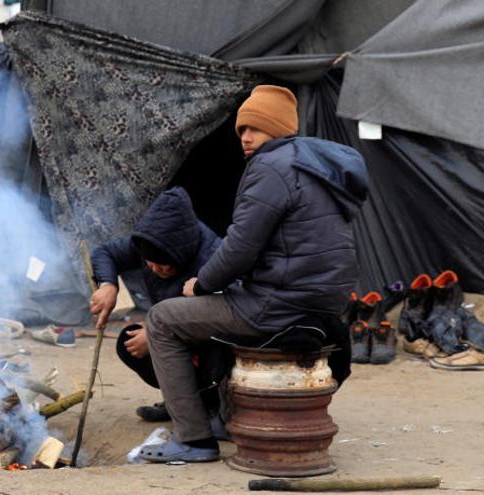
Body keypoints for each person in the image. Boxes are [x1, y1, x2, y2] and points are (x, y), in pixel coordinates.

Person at [138, 85, 368, 463]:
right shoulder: (317, 167)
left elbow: (241, 247)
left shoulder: (271, 167)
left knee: (162, 319)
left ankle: (193, 439)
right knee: (210, 310)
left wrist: (203, 284)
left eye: (255, 129)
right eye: (242, 130)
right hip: (325, 304)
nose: (245, 137)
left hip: (279, 305)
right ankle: (225, 415)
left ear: (277, 129)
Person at [89, 186, 221, 421]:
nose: (153, 268)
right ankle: (182, 401)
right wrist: (108, 284)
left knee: (217, 351)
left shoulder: (213, 256)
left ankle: (212, 406)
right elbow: (104, 252)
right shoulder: (148, 243)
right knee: (130, 342)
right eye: (149, 263)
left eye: (162, 264)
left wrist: (158, 334)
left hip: (211, 339)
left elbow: (219, 315)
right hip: (171, 329)